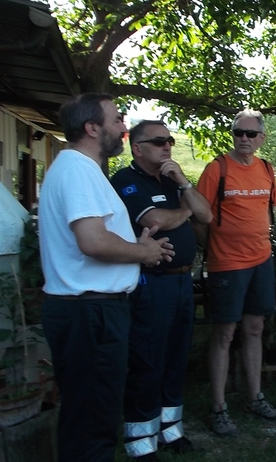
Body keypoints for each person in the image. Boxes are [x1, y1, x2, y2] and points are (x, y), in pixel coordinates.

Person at [39, 93, 174, 462]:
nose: (123, 128)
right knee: (92, 423)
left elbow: (99, 235)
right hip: (90, 313)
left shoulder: (78, 169)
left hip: (90, 311)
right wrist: (143, 252)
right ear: (92, 127)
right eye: (117, 120)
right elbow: (93, 241)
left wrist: (135, 246)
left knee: (89, 415)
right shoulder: (78, 170)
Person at [111, 121, 212, 459]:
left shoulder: (172, 180)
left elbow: (207, 215)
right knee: (147, 361)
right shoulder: (125, 181)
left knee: (175, 359)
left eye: (169, 140)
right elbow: (154, 220)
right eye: (157, 141)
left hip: (183, 282)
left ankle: (171, 431)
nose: (167, 146)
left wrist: (183, 182)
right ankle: (141, 442)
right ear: (137, 148)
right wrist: (185, 210)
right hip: (152, 284)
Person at [196, 110, 276, 437]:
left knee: (255, 329)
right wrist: (218, 247)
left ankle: (254, 397)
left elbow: (267, 212)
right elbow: (199, 219)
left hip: (261, 260)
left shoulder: (267, 170)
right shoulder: (216, 169)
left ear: (261, 138)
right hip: (227, 265)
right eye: (238, 133)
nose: (243, 139)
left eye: (250, 134)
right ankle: (218, 407)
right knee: (224, 334)